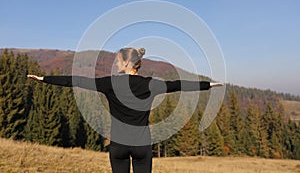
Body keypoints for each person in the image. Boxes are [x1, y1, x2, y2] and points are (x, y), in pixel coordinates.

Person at [27, 47, 223, 173]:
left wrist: (45, 79)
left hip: (119, 145)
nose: (117, 64)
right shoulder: (150, 84)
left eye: (119, 61)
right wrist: (209, 85)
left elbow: (77, 81)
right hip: (142, 146)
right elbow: (178, 85)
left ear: (127, 63)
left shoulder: (109, 83)